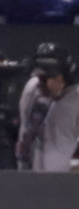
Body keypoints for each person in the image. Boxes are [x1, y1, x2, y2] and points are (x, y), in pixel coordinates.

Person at [17, 42, 79, 172]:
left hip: (64, 180)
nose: (44, 83)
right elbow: (25, 132)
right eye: (41, 78)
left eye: (51, 77)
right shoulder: (32, 89)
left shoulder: (76, 99)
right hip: (30, 178)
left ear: (65, 76)